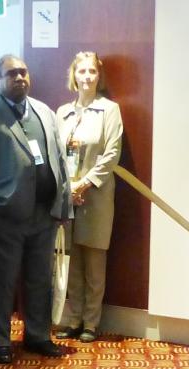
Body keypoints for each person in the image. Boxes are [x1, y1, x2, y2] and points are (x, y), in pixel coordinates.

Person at [0, 54, 70, 365]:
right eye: (11, 74)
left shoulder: (45, 112)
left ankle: (37, 335)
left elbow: (58, 159)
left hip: (43, 214)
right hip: (2, 216)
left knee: (39, 280)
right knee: (0, 281)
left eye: (23, 72)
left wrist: (62, 201)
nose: (19, 78)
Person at [54, 51, 123, 344]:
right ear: (73, 75)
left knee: (94, 261)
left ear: (99, 75)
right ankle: (73, 318)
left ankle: (91, 322)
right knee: (71, 260)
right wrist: (68, 188)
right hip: (67, 196)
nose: (86, 77)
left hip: (95, 196)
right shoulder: (62, 113)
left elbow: (111, 154)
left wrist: (84, 184)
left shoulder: (109, 110)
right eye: (81, 71)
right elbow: (56, 153)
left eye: (91, 72)